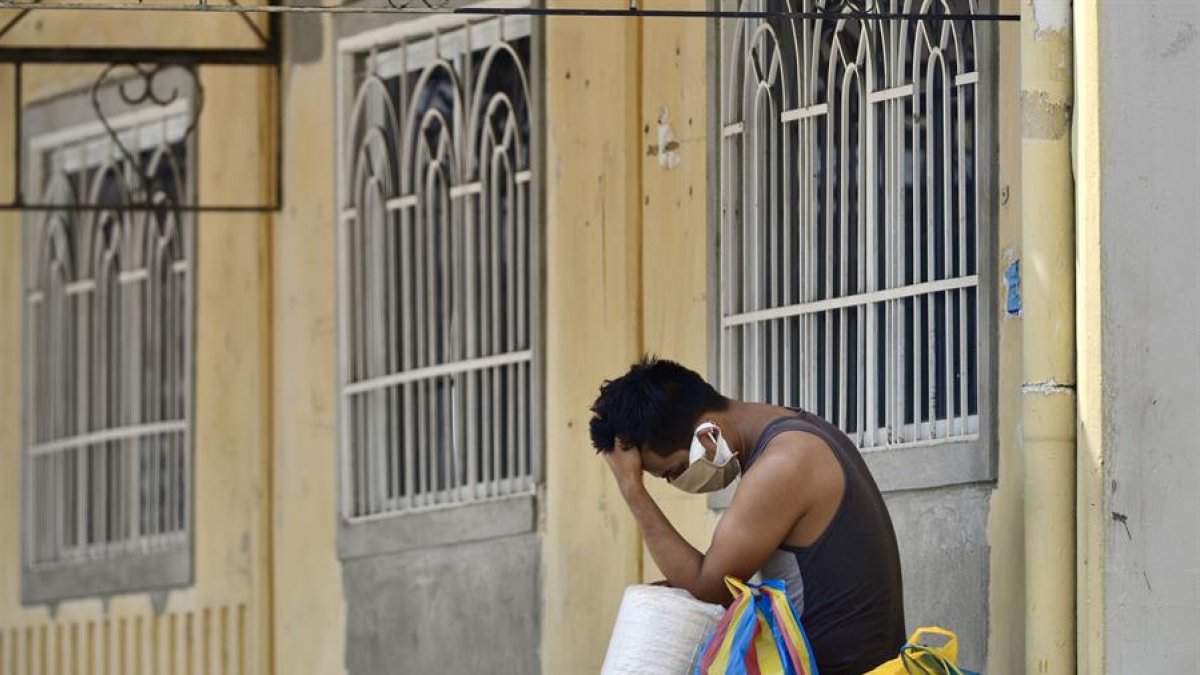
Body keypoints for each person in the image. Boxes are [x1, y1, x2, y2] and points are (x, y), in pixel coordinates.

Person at [589, 357, 906, 675]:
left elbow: (707, 591)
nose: (678, 483)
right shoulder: (802, 431)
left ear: (706, 435)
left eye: (675, 471)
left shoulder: (784, 464)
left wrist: (632, 490)